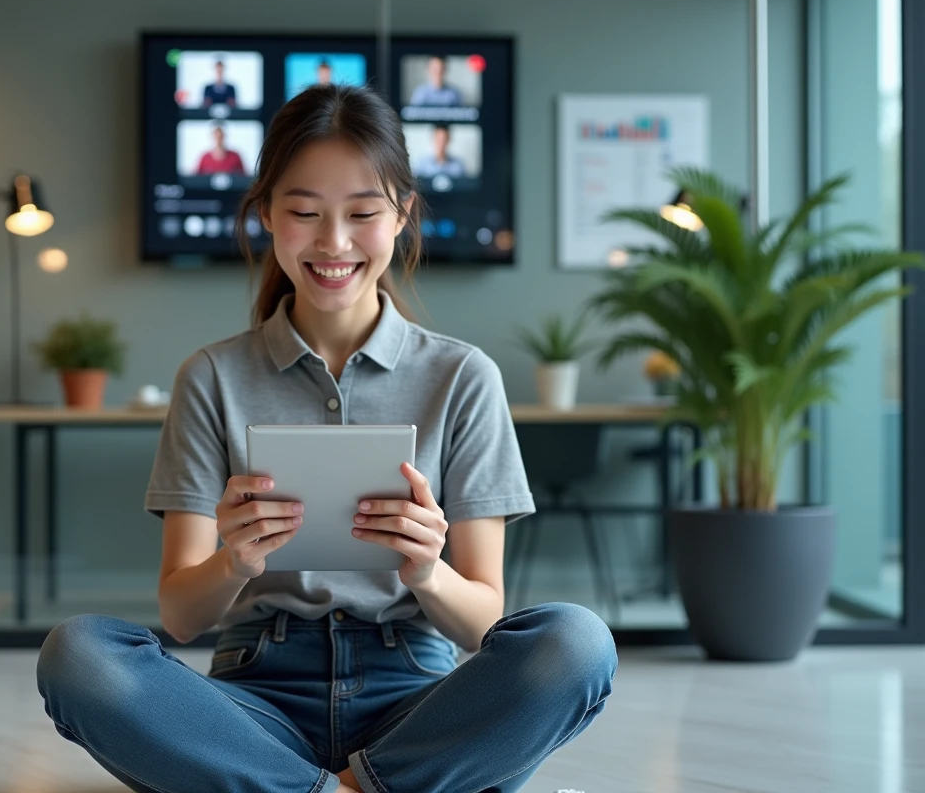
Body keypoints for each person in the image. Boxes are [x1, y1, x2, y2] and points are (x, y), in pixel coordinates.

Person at [37, 84, 616, 793]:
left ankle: (302, 787)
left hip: (416, 702)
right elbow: (181, 616)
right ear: (266, 214)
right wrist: (235, 561)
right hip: (254, 703)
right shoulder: (212, 376)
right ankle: (375, 788)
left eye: (363, 213)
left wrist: (428, 571)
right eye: (304, 212)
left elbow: (480, 624)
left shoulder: (463, 376)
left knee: (576, 643)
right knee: (79, 654)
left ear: (402, 214)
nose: (334, 243)